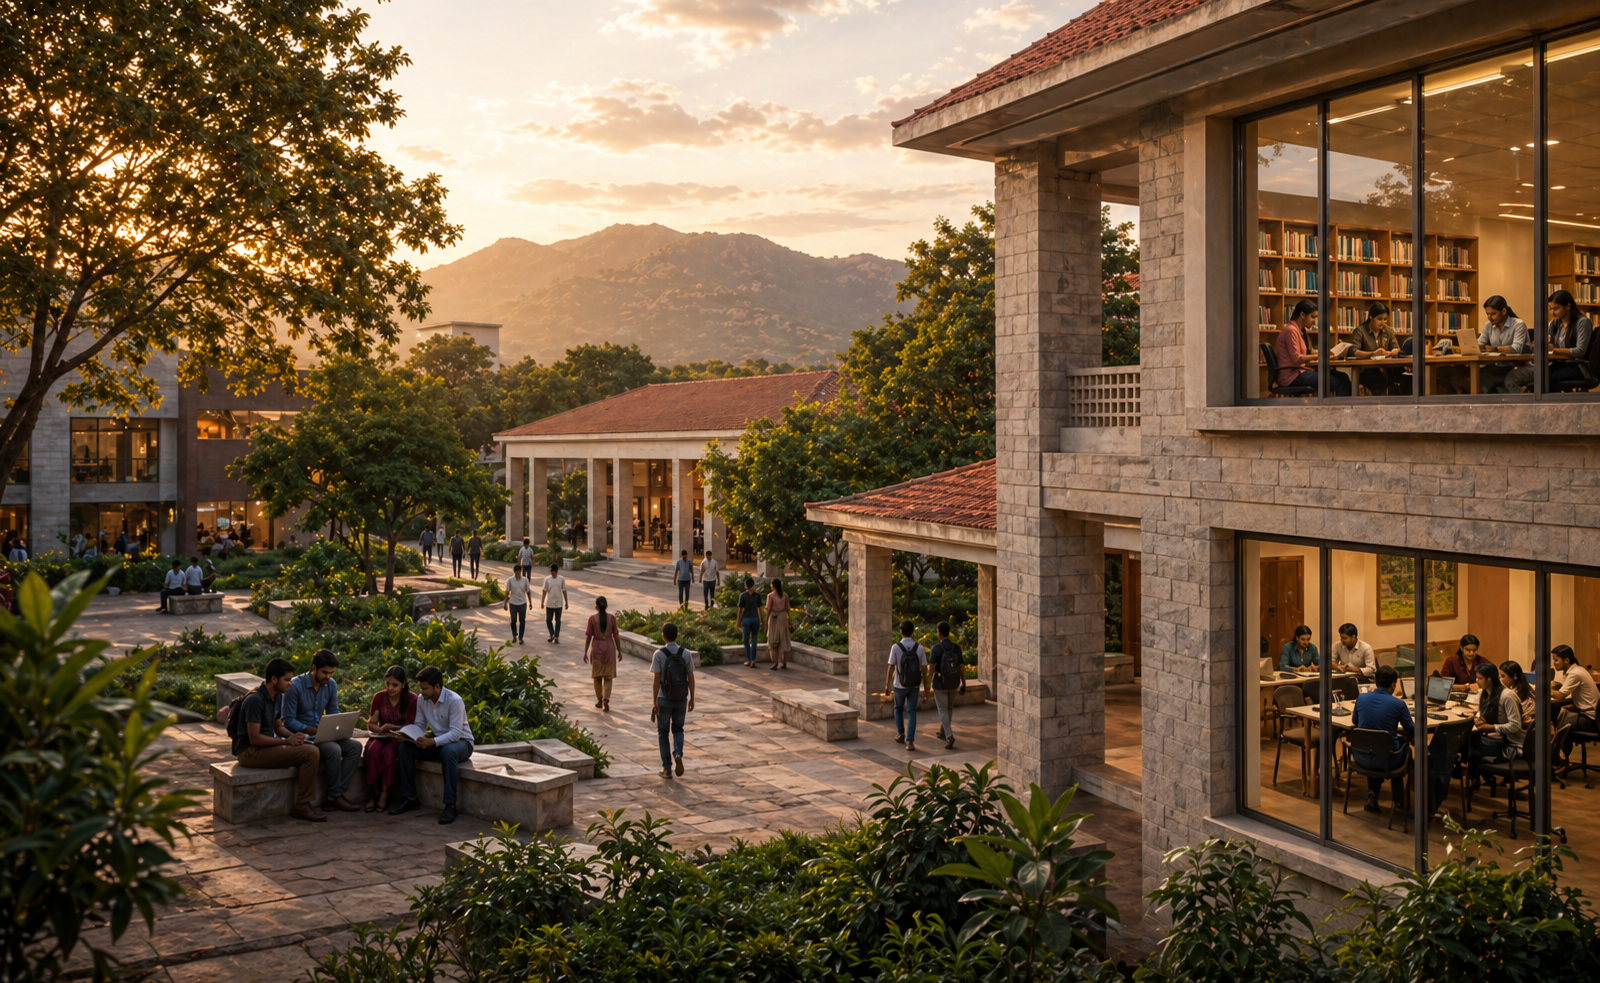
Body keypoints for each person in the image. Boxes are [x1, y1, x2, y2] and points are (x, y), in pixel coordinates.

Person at [232, 658, 325, 822]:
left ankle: (304, 803)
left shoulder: (277, 696)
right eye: (287, 680)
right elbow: (254, 739)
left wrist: (294, 737)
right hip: (249, 752)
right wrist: (286, 742)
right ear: (274, 679)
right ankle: (302, 805)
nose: (290, 684)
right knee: (311, 753)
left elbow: (279, 728)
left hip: (265, 747)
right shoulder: (255, 700)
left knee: (309, 746)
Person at [390, 666, 475, 825]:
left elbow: (456, 733)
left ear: (437, 686)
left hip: (462, 743)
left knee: (448, 752)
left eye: (425, 688)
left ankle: (450, 805)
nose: (421, 692)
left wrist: (432, 742)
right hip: (438, 742)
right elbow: (420, 724)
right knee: (405, 749)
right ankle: (411, 798)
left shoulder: (454, 701)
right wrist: (410, 736)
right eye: (420, 688)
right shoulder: (422, 700)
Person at [280, 649, 362, 812]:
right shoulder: (295, 686)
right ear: (314, 668)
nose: (328, 677)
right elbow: (287, 720)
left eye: (331, 673)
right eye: (325, 672)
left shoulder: (331, 685)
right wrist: (311, 730)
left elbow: (333, 712)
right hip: (304, 738)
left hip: (323, 734)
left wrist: (339, 727)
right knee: (333, 749)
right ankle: (335, 796)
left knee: (355, 747)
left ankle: (334, 796)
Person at [1350, 665, 1414, 813]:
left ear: (1376, 682)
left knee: (1375, 744)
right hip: (1387, 761)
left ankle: (1372, 795)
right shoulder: (1399, 704)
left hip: (1360, 756)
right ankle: (1399, 801)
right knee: (1403, 748)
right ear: (1393, 685)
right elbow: (1411, 729)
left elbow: (1355, 721)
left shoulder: (1361, 698)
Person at [1506, 289, 1593, 393]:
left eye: (1556, 308)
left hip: (1578, 366)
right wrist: (1538, 344)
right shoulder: (1555, 323)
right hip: (1559, 364)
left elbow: (1580, 351)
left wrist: (1555, 350)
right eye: (1550, 308)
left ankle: (1553, 401)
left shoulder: (1582, 322)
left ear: (1568, 306)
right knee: (1540, 375)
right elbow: (1544, 340)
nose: (1552, 312)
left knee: (1546, 377)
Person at [364, 666, 416, 813]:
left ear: (403, 684)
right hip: (382, 736)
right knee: (373, 750)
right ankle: (375, 792)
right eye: (387, 683)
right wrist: (380, 729)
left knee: (390, 753)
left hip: (399, 739)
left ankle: (385, 792)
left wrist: (392, 727)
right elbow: (372, 723)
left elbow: (411, 725)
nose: (390, 688)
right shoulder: (379, 697)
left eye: (395, 685)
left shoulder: (412, 699)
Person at [650, 622, 696, 780]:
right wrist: (692, 698)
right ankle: (678, 753)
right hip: (681, 698)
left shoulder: (659, 654)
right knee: (678, 728)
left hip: (664, 698)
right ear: (677, 635)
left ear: (663, 636)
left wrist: (655, 701)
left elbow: (656, 681)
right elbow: (691, 678)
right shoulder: (686, 654)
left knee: (663, 732)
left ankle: (667, 768)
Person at [1276, 300, 1351, 396]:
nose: (1314, 321)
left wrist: (1326, 352)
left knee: (1343, 377)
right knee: (1337, 381)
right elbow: (1296, 358)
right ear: (1302, 314)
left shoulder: (1301, 331)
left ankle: (1341, 404)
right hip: (1291, 376)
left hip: (1300, 371)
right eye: (1312, 317)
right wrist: (1319, 356)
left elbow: (1309, 351)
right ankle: (1340, 405)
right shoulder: (1291, 331)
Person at [1468, 662, 1524, 776]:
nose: (1476, 681)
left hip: (1511, 744)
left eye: (1480, 678)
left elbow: (1515, 725)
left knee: (1470, 744)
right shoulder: (1484, 693)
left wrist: (1492, 727)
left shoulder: (1507, 696)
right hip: (1496, 738)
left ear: (1489, 679)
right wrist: (1483, 721)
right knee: (1467, 742)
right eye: (1476, 678)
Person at [1552, 645, 1598, 773]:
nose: (1554, 663)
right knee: (1560, 716)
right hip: (1593, 715)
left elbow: (1560, 696)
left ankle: (1560, 761)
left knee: (1561, 725)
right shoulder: (1579, 669)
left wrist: (1544, 688)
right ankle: (1561, 759)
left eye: (1556, 660)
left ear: (1566, 660)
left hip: (1590, 719)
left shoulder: (1574, 674)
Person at [885, 621, 931, 752]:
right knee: (911, 712)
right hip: (914, 685)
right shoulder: (919, 648)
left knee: (898, 709)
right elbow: (924, 670)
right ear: (913, 632)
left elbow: (891, 667)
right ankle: (910, 741)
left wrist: (887, 685)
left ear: (901, 632)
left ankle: (901, 734)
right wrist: (926, 688)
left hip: (899, 685)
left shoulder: (896, 647)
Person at [1347, 302, 1409, 395]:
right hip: (1368, 369)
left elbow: (1396, 348)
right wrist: (1372, 354)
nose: (1383, 322)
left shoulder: (1388, 330)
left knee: (1405, 378)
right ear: (1371, 317)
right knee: (1378, 380)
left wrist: (1393, 352)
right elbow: (1353, 351)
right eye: (1379, 319)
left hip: (1387, 367)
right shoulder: (1360, 331)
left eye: (1385, 319)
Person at [928, 621, 968, 750]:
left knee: (942, 709)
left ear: (939, 633)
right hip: (954, 683)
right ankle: (943, 731)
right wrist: (963, 683)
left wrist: (927, 686)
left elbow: (932, 668)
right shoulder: (956, 648)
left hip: (940, 684)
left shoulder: (935, 649)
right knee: (949, 708)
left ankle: (949, 736)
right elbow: (962, 667)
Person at [584, 596, 620, 711]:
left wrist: (585, 651)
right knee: (608, 677)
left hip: (597, 649)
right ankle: (606, 700)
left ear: (596, 606)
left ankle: (600, 699)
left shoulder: (592, 619)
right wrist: (619, 651)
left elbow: (589, 636)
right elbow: (616, 636)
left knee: (597, 676)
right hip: (609, 649)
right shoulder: (612, 618)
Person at [766, 579, 792, 671]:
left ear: (773, 585)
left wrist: (766, 620)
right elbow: (787, 609)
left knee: (773, 640)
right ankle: (784, 662)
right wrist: (790, 621)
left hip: (774, 618)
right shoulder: (785, 595)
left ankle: (775, 662)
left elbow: (769, 609)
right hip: (783, 617)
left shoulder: (770, 596)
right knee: (784, 639)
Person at [541, 561, 569, 644]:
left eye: (552, 571)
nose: (551, 573)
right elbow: (544, 591)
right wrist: (542, 601)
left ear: (556, 571)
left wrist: (566, 602)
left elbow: (564, 590)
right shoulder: (547, 579)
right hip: (550, 603)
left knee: (558, 620)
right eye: (550, 571)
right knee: (548, 620)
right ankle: (552, 633)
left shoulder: (561, 579)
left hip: (558, 603)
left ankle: (556, 636)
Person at [737, 579, 762, 667]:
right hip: (755, 619)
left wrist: (738, 621)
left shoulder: (743, 595)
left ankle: (749, 659)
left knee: (746, 640)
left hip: (746, 619)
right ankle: (753, 660)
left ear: (747, 586)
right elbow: (759, 609)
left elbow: (740, 609)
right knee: (754, 640)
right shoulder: (757, 596)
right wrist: (761, 620)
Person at [505, 563, 530, 645]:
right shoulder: (510, 580)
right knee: (513, 620)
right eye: (517, 572)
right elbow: (507, 592)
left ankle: (521, 637)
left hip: (522, 603)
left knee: (522, 621)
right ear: (514, 572)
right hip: (513, 603)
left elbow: (528, 591)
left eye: (519, 572)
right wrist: (505, 603)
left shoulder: (525, 580)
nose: (518, 574)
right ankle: (514, 635)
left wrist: (530, 602)